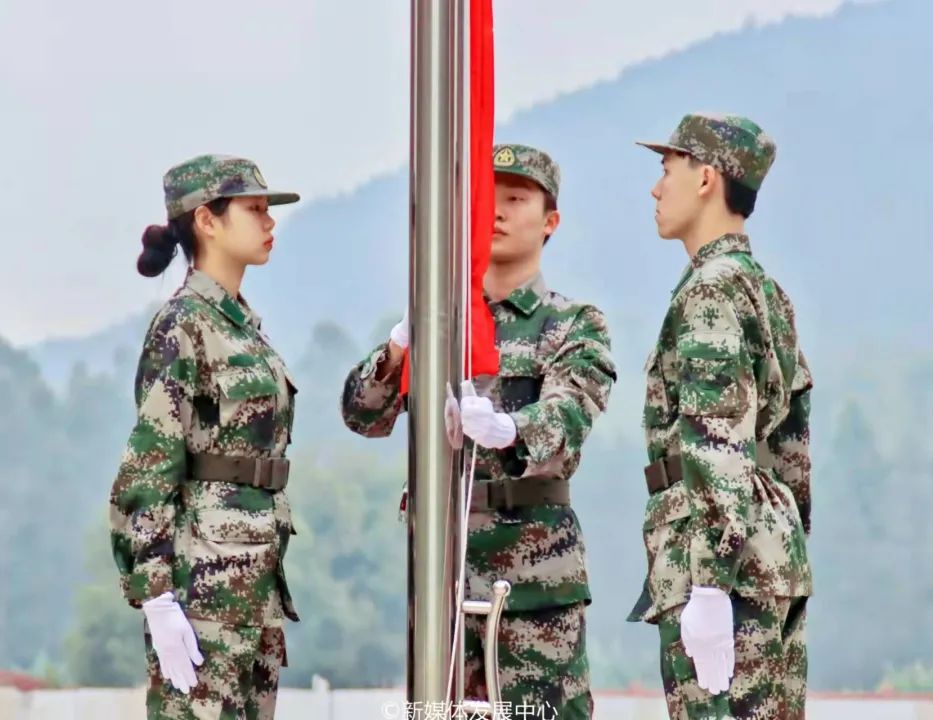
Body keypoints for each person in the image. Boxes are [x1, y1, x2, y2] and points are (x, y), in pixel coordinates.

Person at [340, 144, 617, 719]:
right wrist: (400, 346)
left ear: (550, 221)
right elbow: (363, 414)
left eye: (516, 199)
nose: (497, 211)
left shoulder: (572, 324)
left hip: (532, 581)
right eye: (487, 197)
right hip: (443, 571)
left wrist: (509, 429)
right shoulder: (443, 323)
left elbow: (571, 411)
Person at [626, 113, 813, 719]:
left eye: (668, 169)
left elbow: (715, 437)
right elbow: (791, 446)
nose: (657, 188)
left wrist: (710, 580)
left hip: (720, 563)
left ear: (706, 178)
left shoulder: (710, 289)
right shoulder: (765, 289)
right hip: (769, 554)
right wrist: (781, 543)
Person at [109, 154, 302, 719]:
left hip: (254, 580)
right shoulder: (183, 324)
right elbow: (150, 462)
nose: (269, 221)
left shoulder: (241, 325)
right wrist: (157, 595)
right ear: (207, 220)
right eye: (254, 209)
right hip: (203, 584)